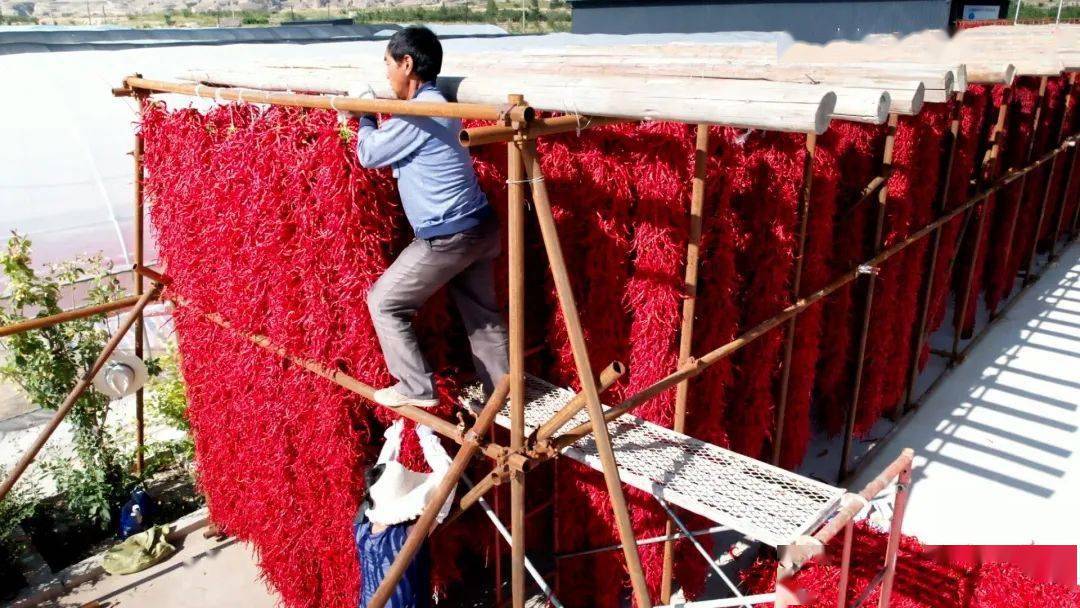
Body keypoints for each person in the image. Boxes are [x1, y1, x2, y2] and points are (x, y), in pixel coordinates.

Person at [354, 26, 509, 409]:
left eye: (388, 64)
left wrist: (364, 117)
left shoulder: (424, 112)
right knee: (483, 316)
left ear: (407, 64)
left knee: (384, 302)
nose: (387, 74)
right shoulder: (431, 106)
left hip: (449, 237)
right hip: (479, 227)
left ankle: (415, 388)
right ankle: (503, 395)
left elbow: (369, 155)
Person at [354, 421, 455, 608]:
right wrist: (427, 437)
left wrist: (394, 436)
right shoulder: (404, 538)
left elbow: (379, 479)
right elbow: (448, 482)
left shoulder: (360, 525)